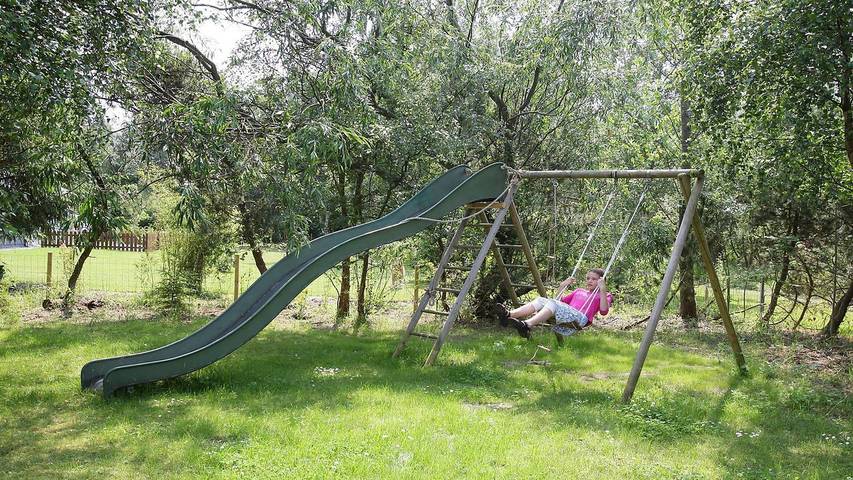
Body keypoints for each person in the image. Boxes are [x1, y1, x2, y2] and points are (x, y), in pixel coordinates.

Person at [497, 268, 613, 338]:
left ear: (601, 281)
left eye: (594, 279)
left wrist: (602, 289)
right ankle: (508, 315)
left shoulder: (605, 295)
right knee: (541, 299)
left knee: (552, 302)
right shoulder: (579, 291)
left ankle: (527, 325)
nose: (589, 281)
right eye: (588, 278)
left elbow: (604, 311)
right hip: (568, 314)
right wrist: (562, 285)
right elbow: (559, 301)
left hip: (580, 319)